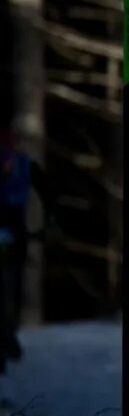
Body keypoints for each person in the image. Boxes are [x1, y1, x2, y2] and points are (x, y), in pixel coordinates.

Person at [0, 130, 49, 371]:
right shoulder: (23, 164)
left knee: (11, 285)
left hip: (14, 228)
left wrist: (46, 225)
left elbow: (46, 192)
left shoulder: (25, 165)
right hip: (11, 227)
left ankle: (8, 334)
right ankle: (8, 334)